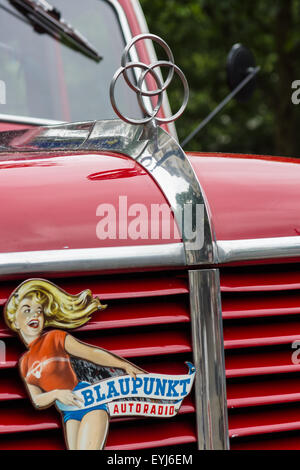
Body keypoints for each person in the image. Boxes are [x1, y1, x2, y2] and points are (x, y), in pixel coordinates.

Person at [4, 278, 143, 450]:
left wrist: (124, 365)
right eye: (27, 310)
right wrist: (56, 394)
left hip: (88, 400)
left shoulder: (54, 337)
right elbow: (37, 400)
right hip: (68, 412)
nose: (34, 315)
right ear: (14, 321)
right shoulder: (24, 362)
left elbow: (91, 353)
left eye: (39, 311)